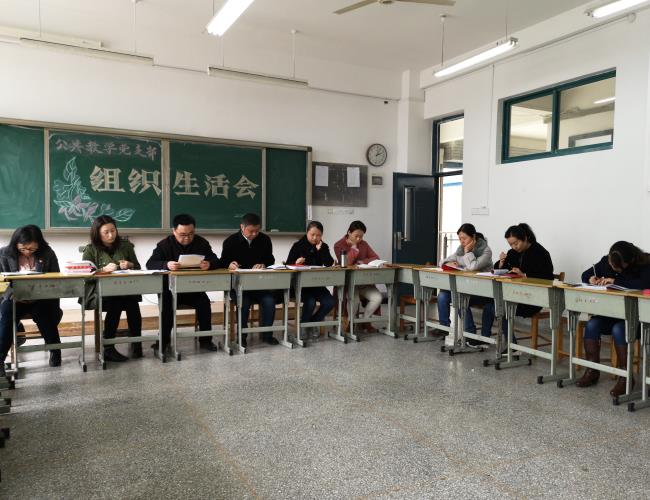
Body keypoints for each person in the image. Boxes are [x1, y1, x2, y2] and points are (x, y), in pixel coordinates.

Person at [577, 241, 650, 397]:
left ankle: (626, 377)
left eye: (617, 267)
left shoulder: (645, 263)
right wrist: (591, 278)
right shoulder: (607, 261)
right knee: (592, 325)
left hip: (637, 317)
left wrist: (616, 281)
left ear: (629, 262)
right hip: (611, 313)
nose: (612, 267)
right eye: (611, 264)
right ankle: (592, 370)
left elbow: (644, 284)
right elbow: (585, 274)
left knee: (618, 329)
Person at [146, 214, 221, 355]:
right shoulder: (164, 245)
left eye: (191, 234)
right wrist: (166, 264)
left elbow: (216, 260)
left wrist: (209, 264)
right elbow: (150, 264)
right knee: (166, 306)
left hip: (193, 289)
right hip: (170, 290)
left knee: (204, 303)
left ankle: (205, 340)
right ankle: (163, 342)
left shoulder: (201, 243)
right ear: (174, 231)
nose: (187, 238)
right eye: (182, 235)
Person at [0, 225, 64, 377]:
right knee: (7, 314)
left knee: (44, 314)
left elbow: (56, 278)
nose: (28, 252)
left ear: (39, 244)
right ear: (15, 243)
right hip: (14, 298)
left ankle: (55, 350)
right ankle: (0, 359)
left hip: (41, 298)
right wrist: (11, 293)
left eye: (32, 249)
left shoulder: (47, 253)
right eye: (23, 248)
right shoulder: (4, 254)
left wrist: (41, 292)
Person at [82, 215, 143, 362]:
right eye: (106, 232)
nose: (111, 235)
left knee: (132, 302)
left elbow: (138, 267)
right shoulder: (90, 249)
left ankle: (136, 343)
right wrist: (102, 270)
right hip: (100, 293)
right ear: (98, 234)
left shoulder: (126, 246)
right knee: (118, 301)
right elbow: (85, 275)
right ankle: (108, 347)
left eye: (113, 231)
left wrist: (130, 265)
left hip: (125, 290)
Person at [483, 223, 554, 346]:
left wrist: (525, 275)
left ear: (525, 238)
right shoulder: (512, 253)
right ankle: (485, 340)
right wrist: (501, 263)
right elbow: (502, 270)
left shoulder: (540, 252)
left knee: (499, 306)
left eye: (516, 243)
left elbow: (548, 277)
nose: (514, 247)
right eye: (511, 244)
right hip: (514, 295)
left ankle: (512, 345)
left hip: (532, 298)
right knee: (490, 304)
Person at [221, 213, 277, 348]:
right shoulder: (230, 241)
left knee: (270, 301)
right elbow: (222, 261)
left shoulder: (265, 240)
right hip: (237, 287)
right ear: (242, 227)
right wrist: (229, 264)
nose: (254, 234)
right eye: (251, 231)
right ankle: (242, 337)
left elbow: (271, 259)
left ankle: (267, 335)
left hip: (258, 285)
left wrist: (263, 264)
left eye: (257, 231)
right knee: (243, 303)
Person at [436, 223, 494, 347]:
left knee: (460, 298)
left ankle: (470, 334)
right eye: (460, 239)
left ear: (473, 237)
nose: (462, 242)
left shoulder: (486, 251)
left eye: (464, 238)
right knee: (442, 295)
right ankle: (444, 328)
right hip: (466, 288)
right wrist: (448, 263)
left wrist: (468, 252)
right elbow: (442, 262)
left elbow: (473, 267)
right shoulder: (460, 249)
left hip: (483, 291)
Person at [286, 221, 335, 339]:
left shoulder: (323, 246)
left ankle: (312, 322)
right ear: (307, 233)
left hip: (317, 284)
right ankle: (303, 326)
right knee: (310, 301)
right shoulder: (298, 245)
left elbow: (329, 263)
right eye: (312, 234)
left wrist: (321, 250)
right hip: (301, 286)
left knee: (330, 302)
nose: (315, 238)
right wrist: (296, 263)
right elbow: (287, 264)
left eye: (318, 235)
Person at [333, 220, 383, 333]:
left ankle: (365, 321)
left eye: (361, 236)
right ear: (349, 233)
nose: (359, 239)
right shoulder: (339, 245)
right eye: (356, 236)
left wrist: (362, 262)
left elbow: (376, 257)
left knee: (378, 298)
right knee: (354, 300)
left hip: (364, 282)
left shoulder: (364, 244)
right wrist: (354, 249)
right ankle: (350, 322)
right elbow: (346, 263)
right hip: (348, 284)